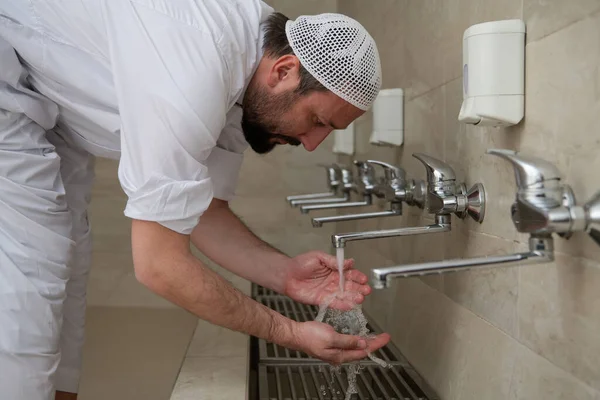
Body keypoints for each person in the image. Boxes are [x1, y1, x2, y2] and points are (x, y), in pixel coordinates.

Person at [0, 1, 391, 399]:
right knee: (31, 277)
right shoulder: (196, 71)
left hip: (43, 104)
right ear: (284, 71)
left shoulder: (248, 80)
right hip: (7, 73)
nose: (312, 144)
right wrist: (289, 332)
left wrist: (284, 273)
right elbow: (159, 266)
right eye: (318, 122)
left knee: (67, 268)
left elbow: (205, 210)